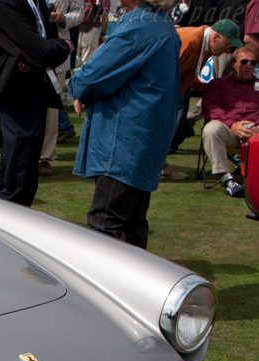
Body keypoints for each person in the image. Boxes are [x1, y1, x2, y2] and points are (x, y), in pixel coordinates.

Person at [68, 0, 180, 249]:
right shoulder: (161, 24)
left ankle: (110, 287)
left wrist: (79, 87)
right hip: (142, 136)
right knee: (131, 222)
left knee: (106, 224)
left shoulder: (140, 26)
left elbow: (96, 73)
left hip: (125, 139)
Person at [0, 0, 72, 205]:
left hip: (34, 87)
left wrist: (42, 53)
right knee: (19, 166)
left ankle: (8, 217)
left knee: (24, 163)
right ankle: (6, 222)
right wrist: (62, 47)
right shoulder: (4, 5)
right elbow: (39, 49)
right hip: (14, 90)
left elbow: (42, 41)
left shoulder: (35, 2)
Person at [201, 46, 259, 196]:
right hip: (229, 130)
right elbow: (211, 107)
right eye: (244, 62)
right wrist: (232, 124)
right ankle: (227, 180)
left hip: (258, 132)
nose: (249, 66)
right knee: (211, 129)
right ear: (233, 64)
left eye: (253, 63)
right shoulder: (218, 84)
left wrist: (258, 127)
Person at [167, 18, 240, 154]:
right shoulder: (191, 40)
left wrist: (174, 96)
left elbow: (188, 76)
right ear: (216, 38)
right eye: (228, 44)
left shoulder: (206, 47)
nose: (229, 49)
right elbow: (165, 71)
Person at [38, 0, 83, 177]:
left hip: (57, 51)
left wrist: (64, 18)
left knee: (51, 110)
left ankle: (45, 158)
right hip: (26, 48)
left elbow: (80, 14)